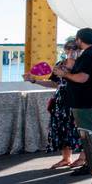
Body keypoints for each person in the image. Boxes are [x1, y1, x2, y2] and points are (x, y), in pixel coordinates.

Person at [54, 27, 92, 174]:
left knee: (88, 133)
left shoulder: (89, 55)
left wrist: (63, 74)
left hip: (85, 101)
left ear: (79, 39)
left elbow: (82, 78)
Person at [25, 39, 83, 169]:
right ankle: (66, 158)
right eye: (68, 48)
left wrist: (67, 73)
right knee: (61, 128)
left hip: (76, 99)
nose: (71, 51)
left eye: (74, 49)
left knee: (78, 128)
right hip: (60, 100)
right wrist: (34, 81)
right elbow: (54, 83)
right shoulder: (60, 64)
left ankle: (83, 158)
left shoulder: (82, 65)